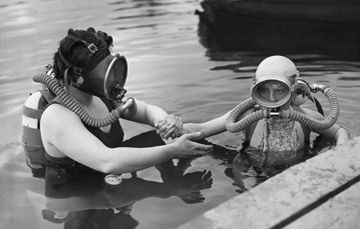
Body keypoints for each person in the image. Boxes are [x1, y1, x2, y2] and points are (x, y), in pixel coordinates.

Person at [34, 27, 212, 184]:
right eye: (102, 72)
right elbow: (107, 162)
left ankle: (173, 178)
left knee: (153, 138)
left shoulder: (102, 97)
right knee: (162, 151)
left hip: (107, 180)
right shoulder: (57, 117)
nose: (110, 79)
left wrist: (165, 122)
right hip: (77, 198)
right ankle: (172, 186)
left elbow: (148, 112)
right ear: (77, 76)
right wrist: (172, 151)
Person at [159, 55, 350, 152]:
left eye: (280, 90)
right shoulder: (245, 115)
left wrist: (337, 157)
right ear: (255, 89)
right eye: (264, 90)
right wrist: (177, 127)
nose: (272, 99)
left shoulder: (306, 118)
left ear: (293, 88)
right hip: (255, 175)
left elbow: (340, 132)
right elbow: (200, 129)